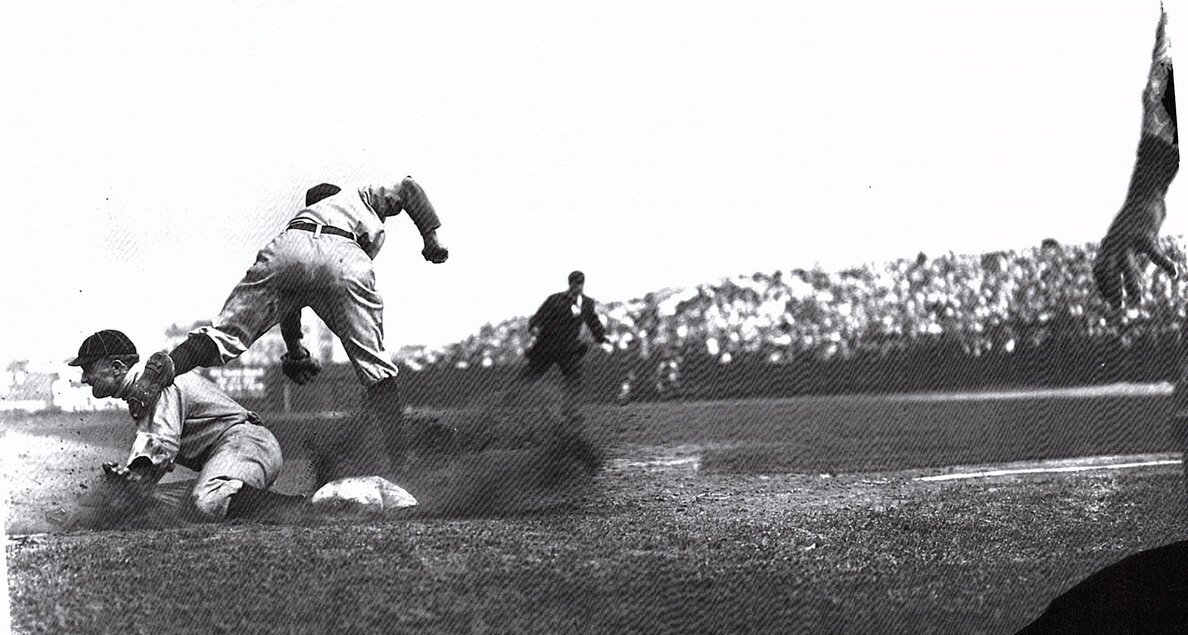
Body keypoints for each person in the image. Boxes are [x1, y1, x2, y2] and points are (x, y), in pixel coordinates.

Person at [122, 177, 450, 484]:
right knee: (376, 368)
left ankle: (169, 364)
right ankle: (398, 465)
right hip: (344, 255)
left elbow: (290, 302)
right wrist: (431, 237)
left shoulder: (301, 220)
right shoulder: (359, 197)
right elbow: (408, 187)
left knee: (224, 334)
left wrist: (295, 351)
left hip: (286, 252)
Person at [70, 329, 306, 521]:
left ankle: (303, 507)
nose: (84, 377)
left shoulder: (155, 384)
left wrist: (133, 479)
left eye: (88, 368)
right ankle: (242, 495)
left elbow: (161, 446)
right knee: (150, 507)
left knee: (206, 501)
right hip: (230, 454)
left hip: (246, 443)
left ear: (117, 367)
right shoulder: (141, 389)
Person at [522, 271, 610, 394]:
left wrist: (601, 337)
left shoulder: (587, 303)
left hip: (569, 347)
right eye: (575, 283)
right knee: (531, 374)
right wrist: (534, 327)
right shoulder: (555, 299)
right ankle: (513, 401)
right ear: (570, 284)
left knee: (574, 377)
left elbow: (593, 321)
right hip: (547, 344)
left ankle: (570, 410)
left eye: (580, 283)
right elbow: (538, 317)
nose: (578, 287)